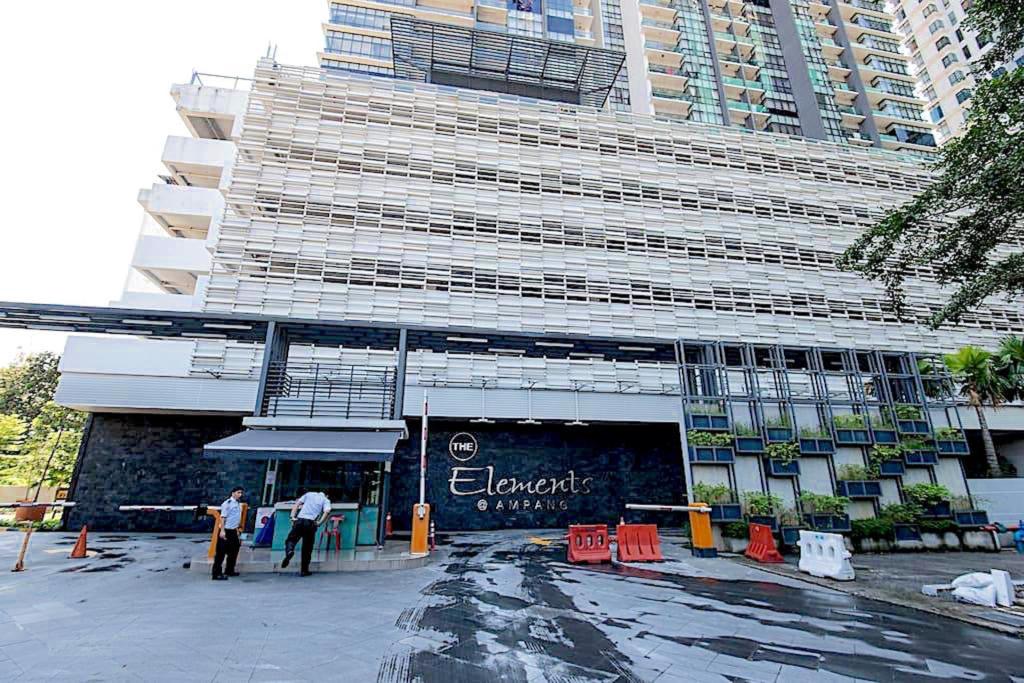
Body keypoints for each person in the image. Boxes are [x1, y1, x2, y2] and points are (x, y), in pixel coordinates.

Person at [281, 491, 331, 576]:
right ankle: (304, 570)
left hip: (300, 521)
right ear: (327, 495)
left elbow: (297, 504)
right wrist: (319, 522)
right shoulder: (325, 500)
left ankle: (290, 550)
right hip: (311, 523)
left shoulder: (308, 494)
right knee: (307, 548)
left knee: (291, 540)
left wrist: (292, 517)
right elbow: (327, 511)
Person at [212, 486, 244, 580]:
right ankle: (216, 573)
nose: (240, 494)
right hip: (226, 530)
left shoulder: (238, 504)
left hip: (234, 530)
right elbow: (223, 518)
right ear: (233, 493)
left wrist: (238, 530)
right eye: (238, 492)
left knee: (234, 551)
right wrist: (222, 531)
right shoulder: (227, 503)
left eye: (241, 493)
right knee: (221, 553)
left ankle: (229, 570)